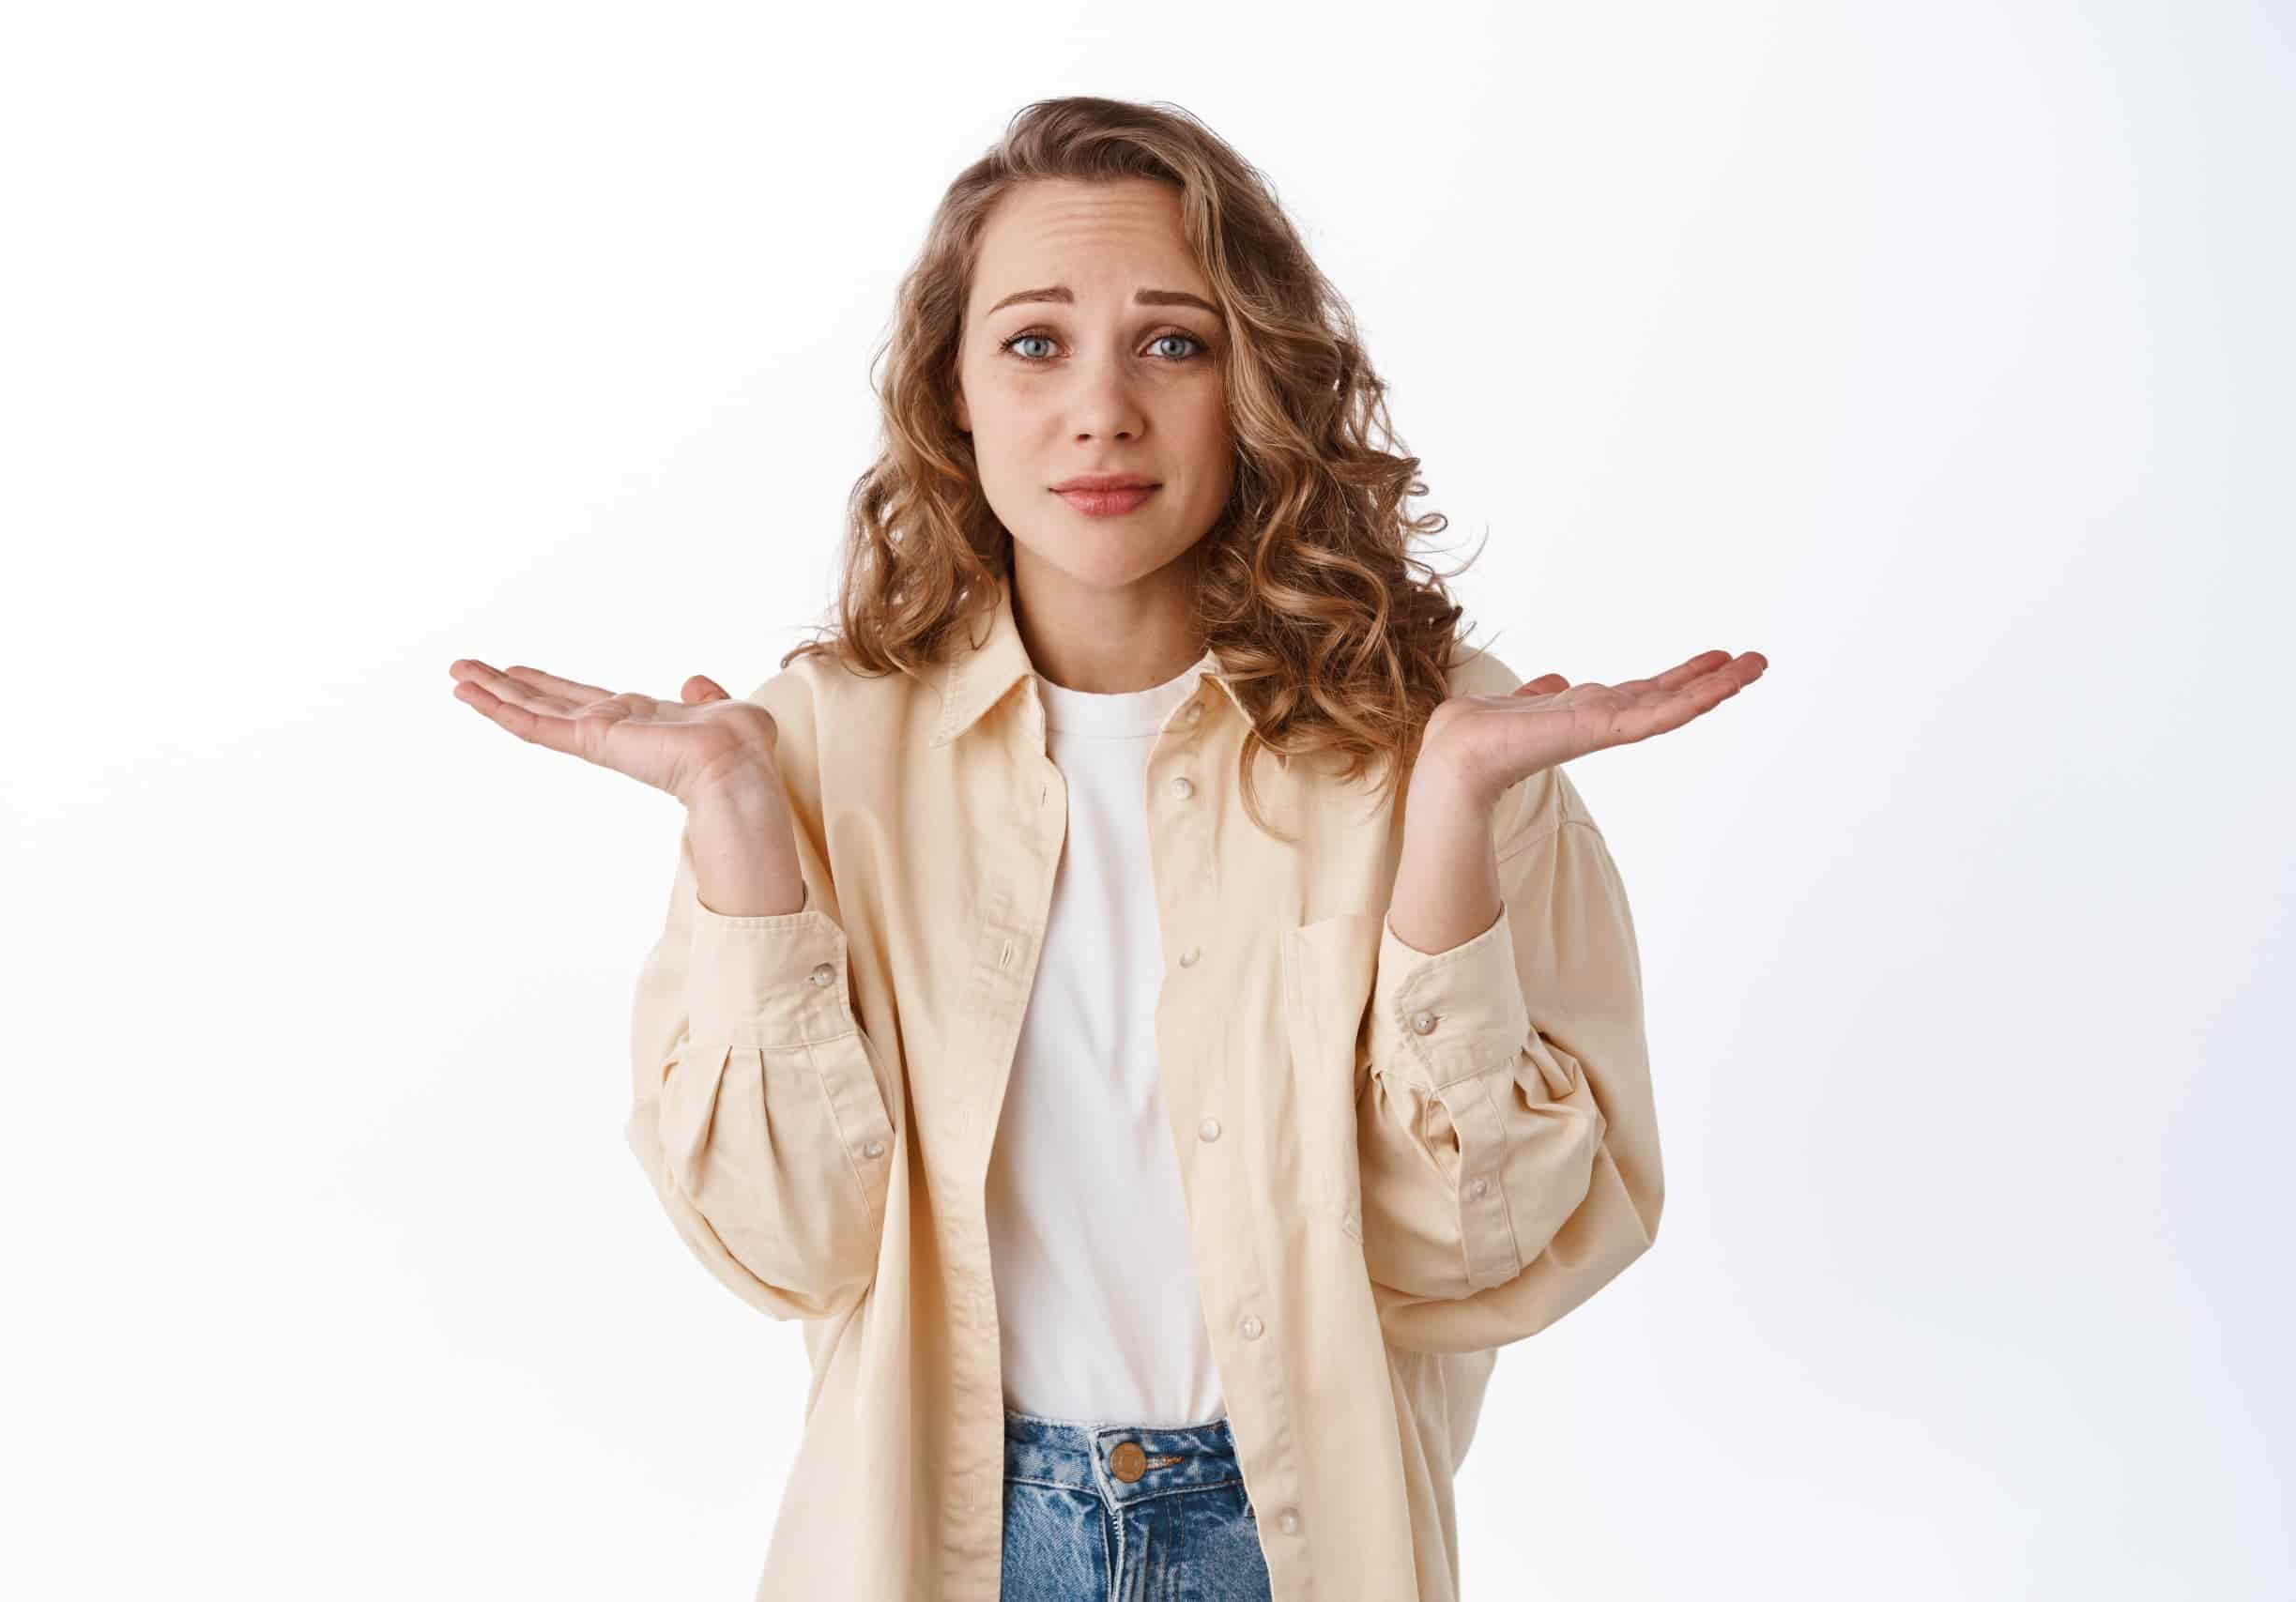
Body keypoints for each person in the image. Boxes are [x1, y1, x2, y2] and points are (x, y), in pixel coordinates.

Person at [449, 95, 1764, 1602]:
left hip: (1295, 1546)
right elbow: (790, 1245)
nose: (1102, 412)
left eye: (1173, 343)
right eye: (1033, 342)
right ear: (951, 392)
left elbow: (1480, 1255)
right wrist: (742, 825)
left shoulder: (1447, 741)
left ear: (1257, 381)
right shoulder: (807, 748)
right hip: (942, 1546)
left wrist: (1450, 821)